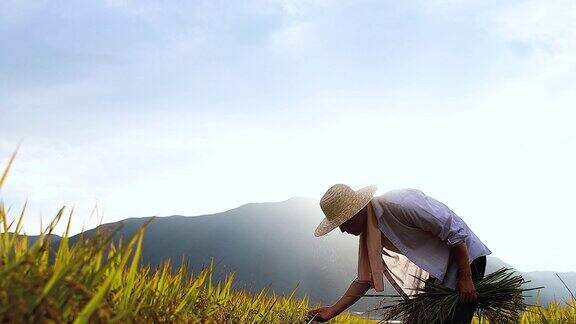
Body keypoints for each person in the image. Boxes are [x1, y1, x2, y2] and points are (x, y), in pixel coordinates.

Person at [307, 184, 491, 324]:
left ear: (354, 215)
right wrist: (333, 311)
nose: (341, 230)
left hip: (466, 258)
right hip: (441, 271)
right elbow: (364, 280)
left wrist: (466, 277)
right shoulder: (371, 235)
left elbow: (454, 230)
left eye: (342, 224)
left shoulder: (399, 204)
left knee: (454, 319)